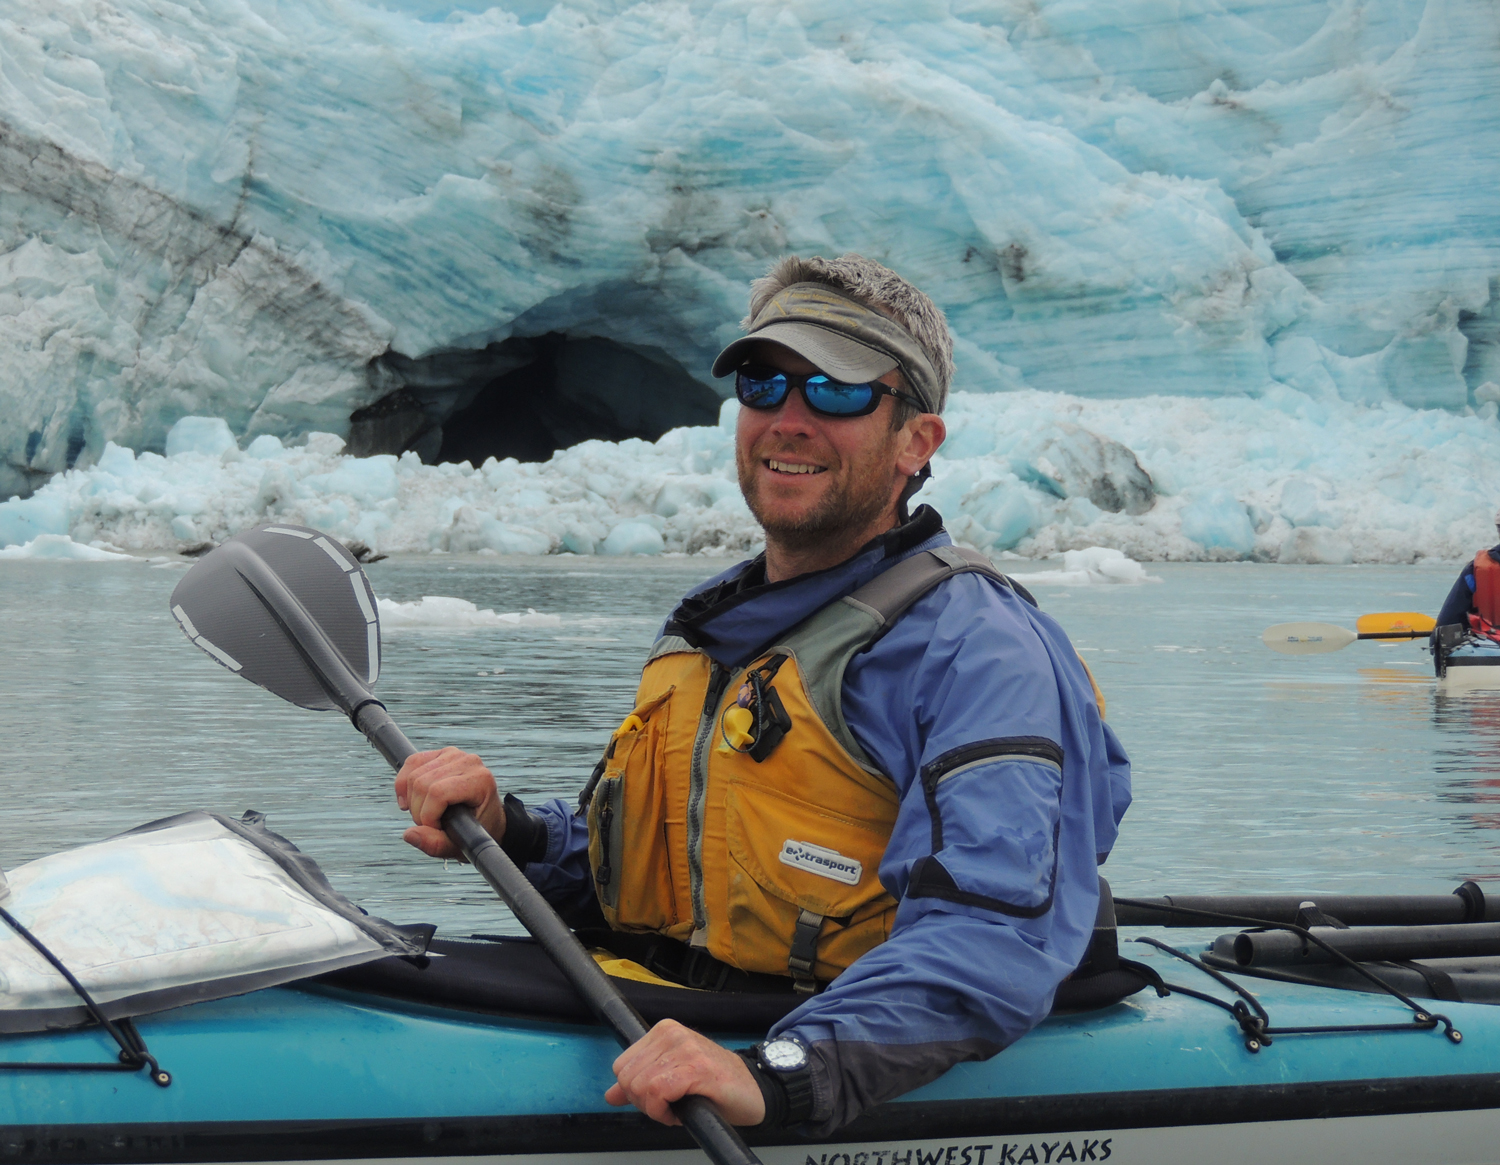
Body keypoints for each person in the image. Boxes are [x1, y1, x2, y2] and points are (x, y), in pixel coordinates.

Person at [394, 254, 1132, 1136]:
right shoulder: (718, 627)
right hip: (681, 1009)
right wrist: (511, 826)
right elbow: (671, 872)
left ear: (915, 440)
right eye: (764, 383)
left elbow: (993, 932)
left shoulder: (979, 650)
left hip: (816, 1046)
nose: (789, 420)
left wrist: (780, 1076)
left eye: (839, 392)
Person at [1436, 511, 1500, 638]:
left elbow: (1447, 621)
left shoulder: (1475, 569)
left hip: (1489, 643)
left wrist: (1437, 646)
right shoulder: (1475, 570)